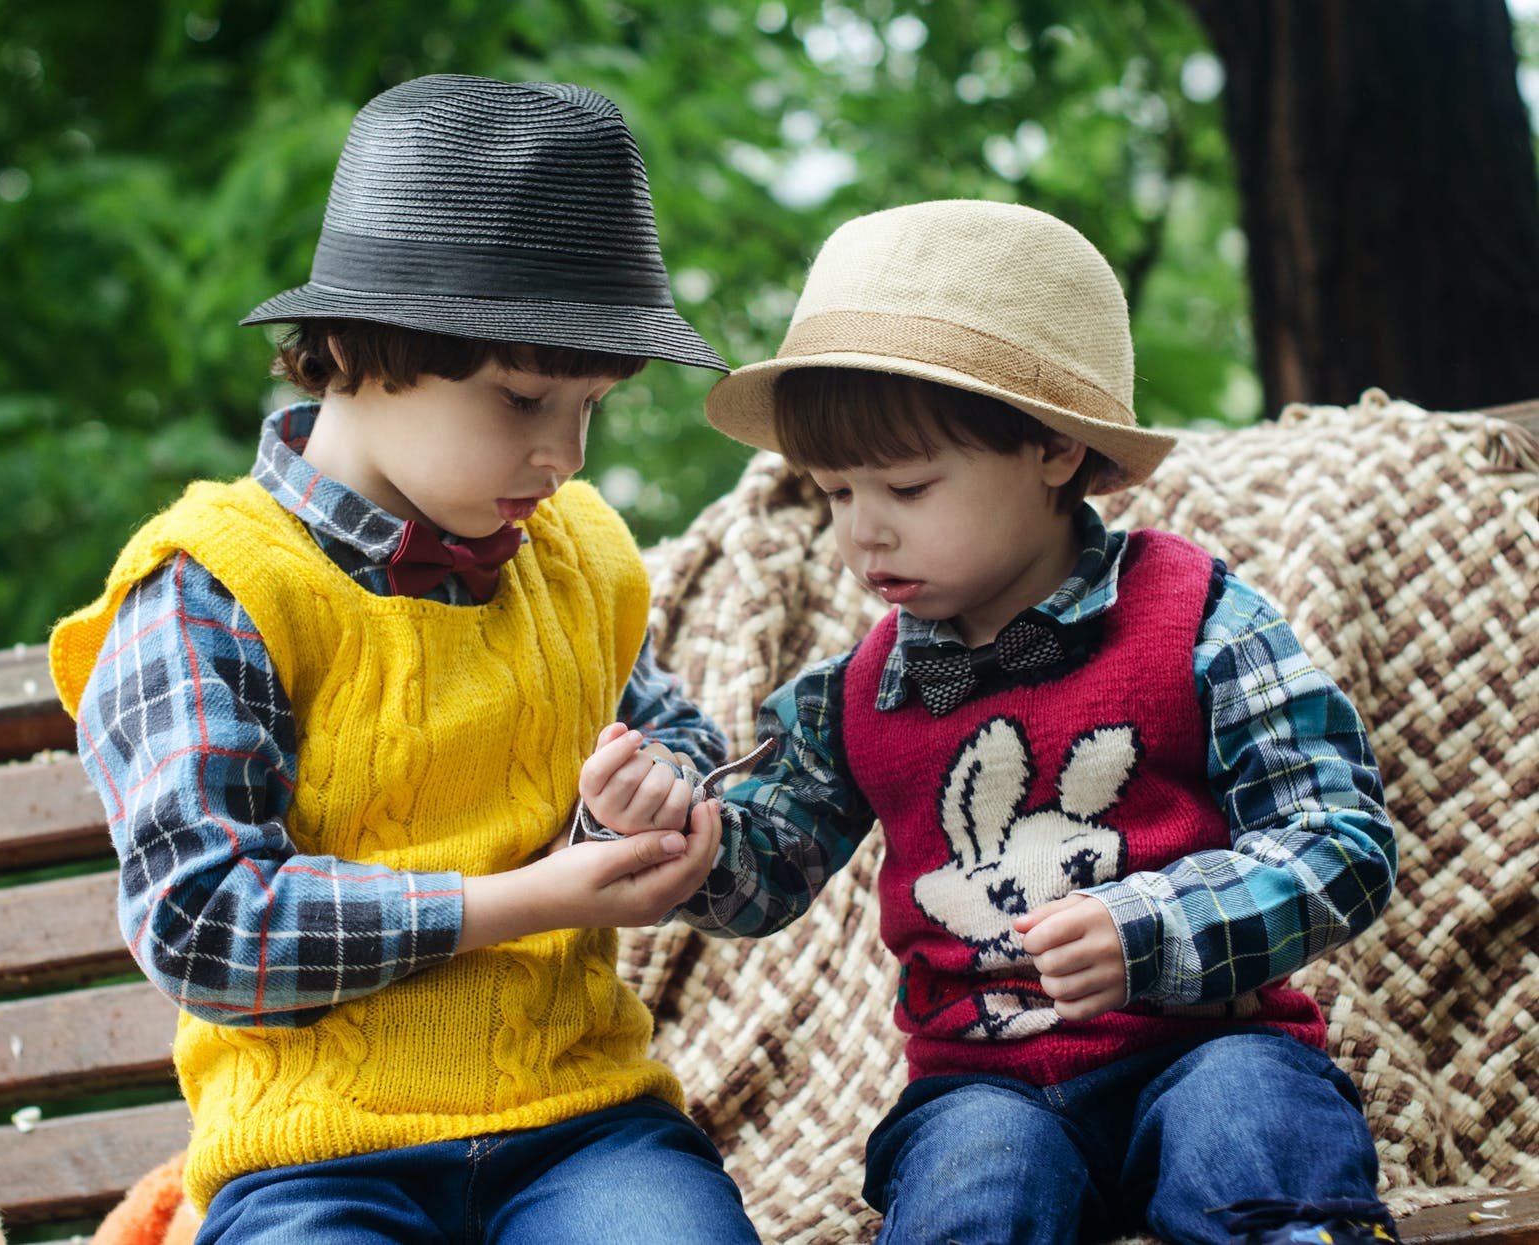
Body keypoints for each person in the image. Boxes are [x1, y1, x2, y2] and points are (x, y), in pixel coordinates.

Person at [578, 200, 1400, 1245]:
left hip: (1207, 1045)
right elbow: (759, 874)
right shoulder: (856, 694)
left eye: (907, 485)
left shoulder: (1196, 618)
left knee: (1250, 1139)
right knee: (973, 1186)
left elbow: (1341, 842)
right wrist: (669, 828)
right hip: (983, 1086)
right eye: (832, 492)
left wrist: (1151, 928)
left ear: (1054, 451)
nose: (859, 531)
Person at [48, 74, 759, 1245]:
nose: (563, 455)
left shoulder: (574, 554)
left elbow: (670, 732)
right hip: (314, 1158)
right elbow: (202, 924)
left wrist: (645, 801)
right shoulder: (213, 587)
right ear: (347, 348)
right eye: (523, 395)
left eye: (593, 406)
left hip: (582, 1126)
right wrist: (520, 901)